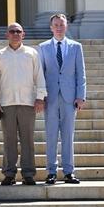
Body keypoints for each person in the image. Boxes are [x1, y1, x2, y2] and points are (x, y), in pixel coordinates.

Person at [0, 22, 46, 186]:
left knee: (27, 140)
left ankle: (28, 173)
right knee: (9, 140)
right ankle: (9, 173)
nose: (15, 34)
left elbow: (40, 76)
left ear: (23, 35)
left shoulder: (32, 53)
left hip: (27, 103)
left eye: (18, 31)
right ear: (6, 35)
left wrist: (40, 98)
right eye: (12, 31)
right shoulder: (0, 55)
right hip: (7, 104)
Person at [38, 14, 86, 185]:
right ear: (51, 27)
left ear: (66, 27)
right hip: (50, 98)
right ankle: (51, 171)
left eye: (62, 25)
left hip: (69, 98)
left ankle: (68, 172)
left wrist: (80, 96)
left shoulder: (76, 47)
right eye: (56, 25)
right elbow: (40, 74)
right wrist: (40, 97)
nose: (59, 27)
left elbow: (81, 73)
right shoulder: (42, 48)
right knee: (51, 135)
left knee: (68, 136)